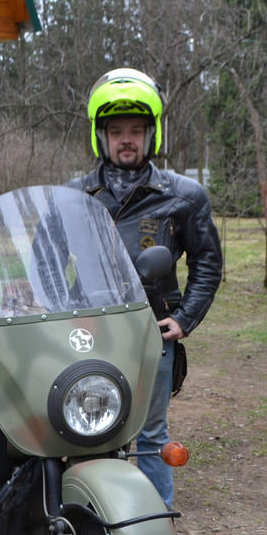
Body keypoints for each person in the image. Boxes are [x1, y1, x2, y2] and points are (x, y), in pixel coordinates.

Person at [66, 68, 223, 509]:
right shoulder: (74, 196)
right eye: (117, 131)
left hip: (152, 331)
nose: (126, 139)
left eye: (136, 130)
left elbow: (208, 262)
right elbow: (45, 260)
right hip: (87, 332)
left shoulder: (183, 195)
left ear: (151, 134)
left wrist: (186, 317)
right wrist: (57, 310)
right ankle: (88, 518)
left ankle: (156, 520)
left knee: (151, 432)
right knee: (84, 424)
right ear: (101, 137)